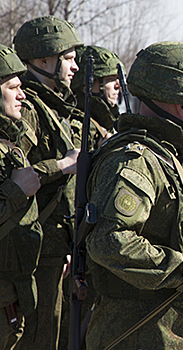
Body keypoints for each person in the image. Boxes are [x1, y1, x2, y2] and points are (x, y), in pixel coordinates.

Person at [84, 41, 183, 350]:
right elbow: (109, 241)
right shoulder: (136, 161)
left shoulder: (170, 155)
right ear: (182, 105)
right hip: (143, 335)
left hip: (175, 335)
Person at [13, 16, 84, 350]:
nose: (74, 67)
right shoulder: (29, 108)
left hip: (55, 245)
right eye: (67, 58)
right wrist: (62, 165)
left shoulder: (54, 106)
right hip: (37, 248)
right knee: (40, 334)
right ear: (43, 60)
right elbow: (15, 174)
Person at [0, 44, 42, 350]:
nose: (22, 95)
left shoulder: (9, 141)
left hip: (12, 292)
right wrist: (16, 190)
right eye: (13, 87)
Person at [72, 45, 123, 133]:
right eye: (110, 79)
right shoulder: (78, 127)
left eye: (118, 79)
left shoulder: (113, 122)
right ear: (87, 85)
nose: (118, 86)